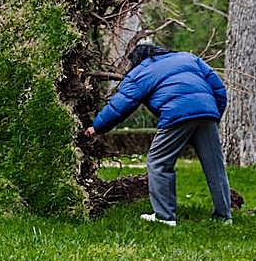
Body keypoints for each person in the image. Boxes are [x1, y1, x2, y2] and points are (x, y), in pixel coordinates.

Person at [84, 43, 231, 226]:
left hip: (176, 114)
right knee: (215, 166)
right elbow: (219, 89)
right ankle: (224, 216)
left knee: (158, 162)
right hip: (208, 113)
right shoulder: (188, 57)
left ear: (137, 59)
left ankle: (164, 216)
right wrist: (213, 114)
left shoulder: (140, 72)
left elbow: (120, 105)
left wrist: (97, 127)